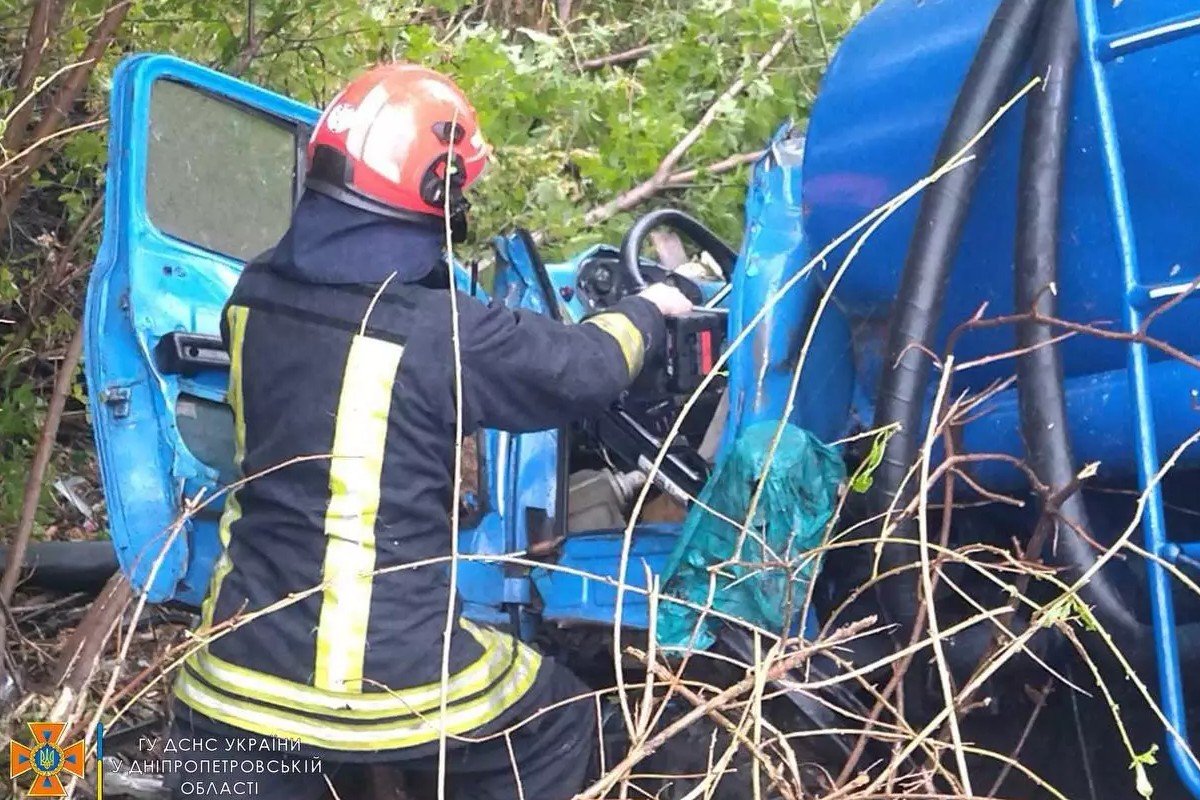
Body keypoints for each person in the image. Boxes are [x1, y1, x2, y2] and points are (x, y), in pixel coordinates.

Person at [165, 63, 693, 800]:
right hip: (379, 684)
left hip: (233, 670)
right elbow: (588, 369)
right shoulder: (442, 331)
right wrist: (653, 309)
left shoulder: (252, 294)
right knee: (563, 721)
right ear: (436, 191)